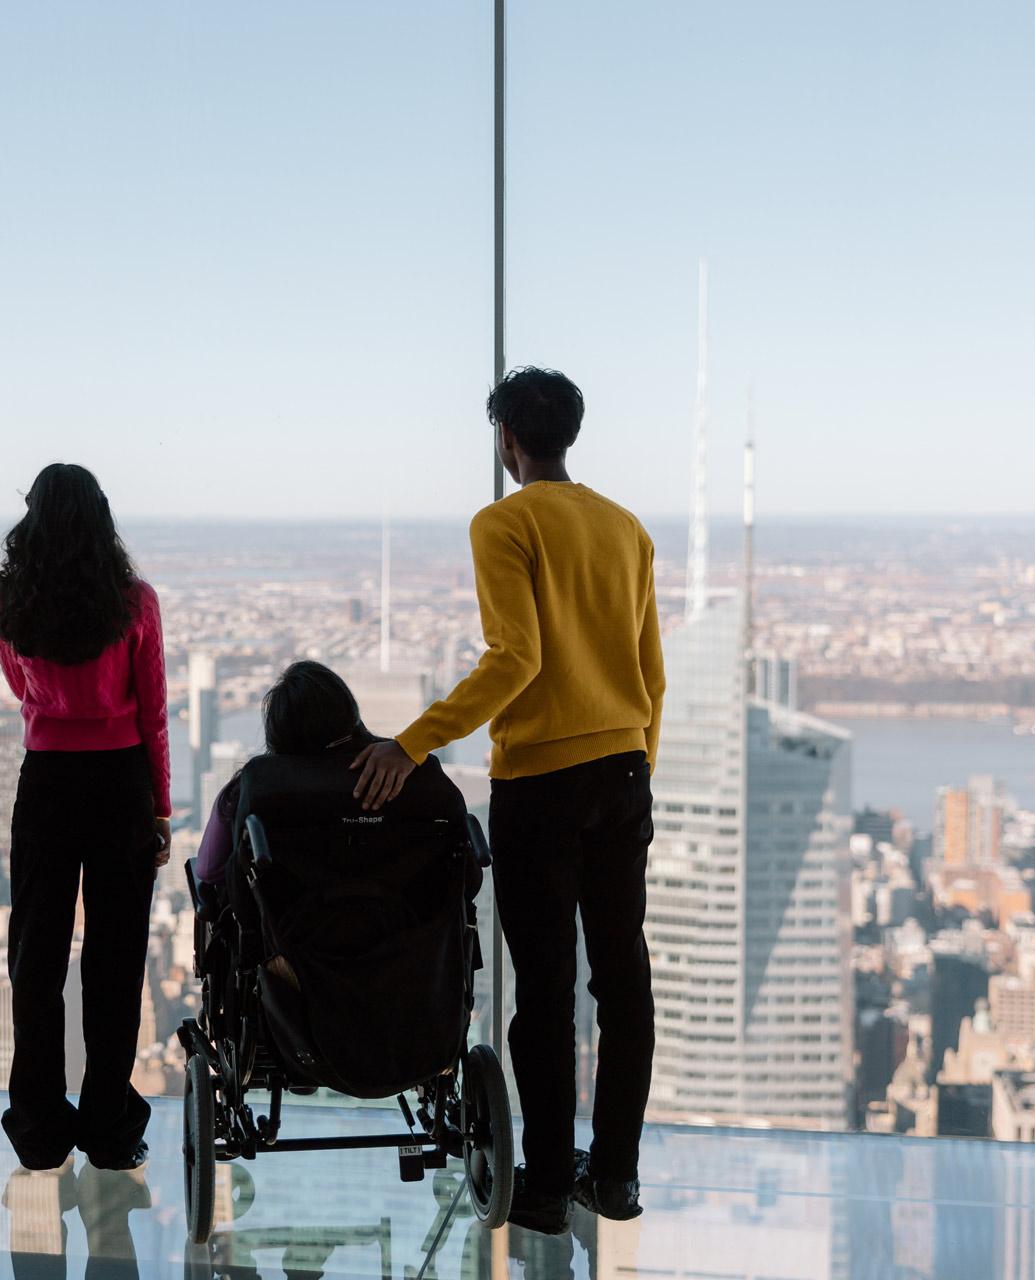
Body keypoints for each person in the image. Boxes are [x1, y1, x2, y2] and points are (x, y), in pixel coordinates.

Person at [353, 367, 665, 1233]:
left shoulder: (504, 522)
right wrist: (641, 769)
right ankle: (618, 1178)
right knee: (623, 980)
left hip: (541, 784)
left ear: (506, 441)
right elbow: (653, 678)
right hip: (624, 771)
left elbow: (515, 660)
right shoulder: (625, 529)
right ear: (570, 433)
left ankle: (546, 1187)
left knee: (547, 992)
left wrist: (410, 743)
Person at [0, 462, 172, 1171]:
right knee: (117, 958)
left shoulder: (8, 602)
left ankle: (37, 1130)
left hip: (48, 784)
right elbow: (152, 711)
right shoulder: (136, 602)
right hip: (121, 779)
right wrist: (159, 807)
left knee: (36, 956)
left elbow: (19, 691)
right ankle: (110, 1128)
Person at [193, 660, 371, 891]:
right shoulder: (393, 773)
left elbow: (209, 870)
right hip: (395, 922)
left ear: (278, 729)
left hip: (282, 924)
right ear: (350, 713)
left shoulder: (251, 787)